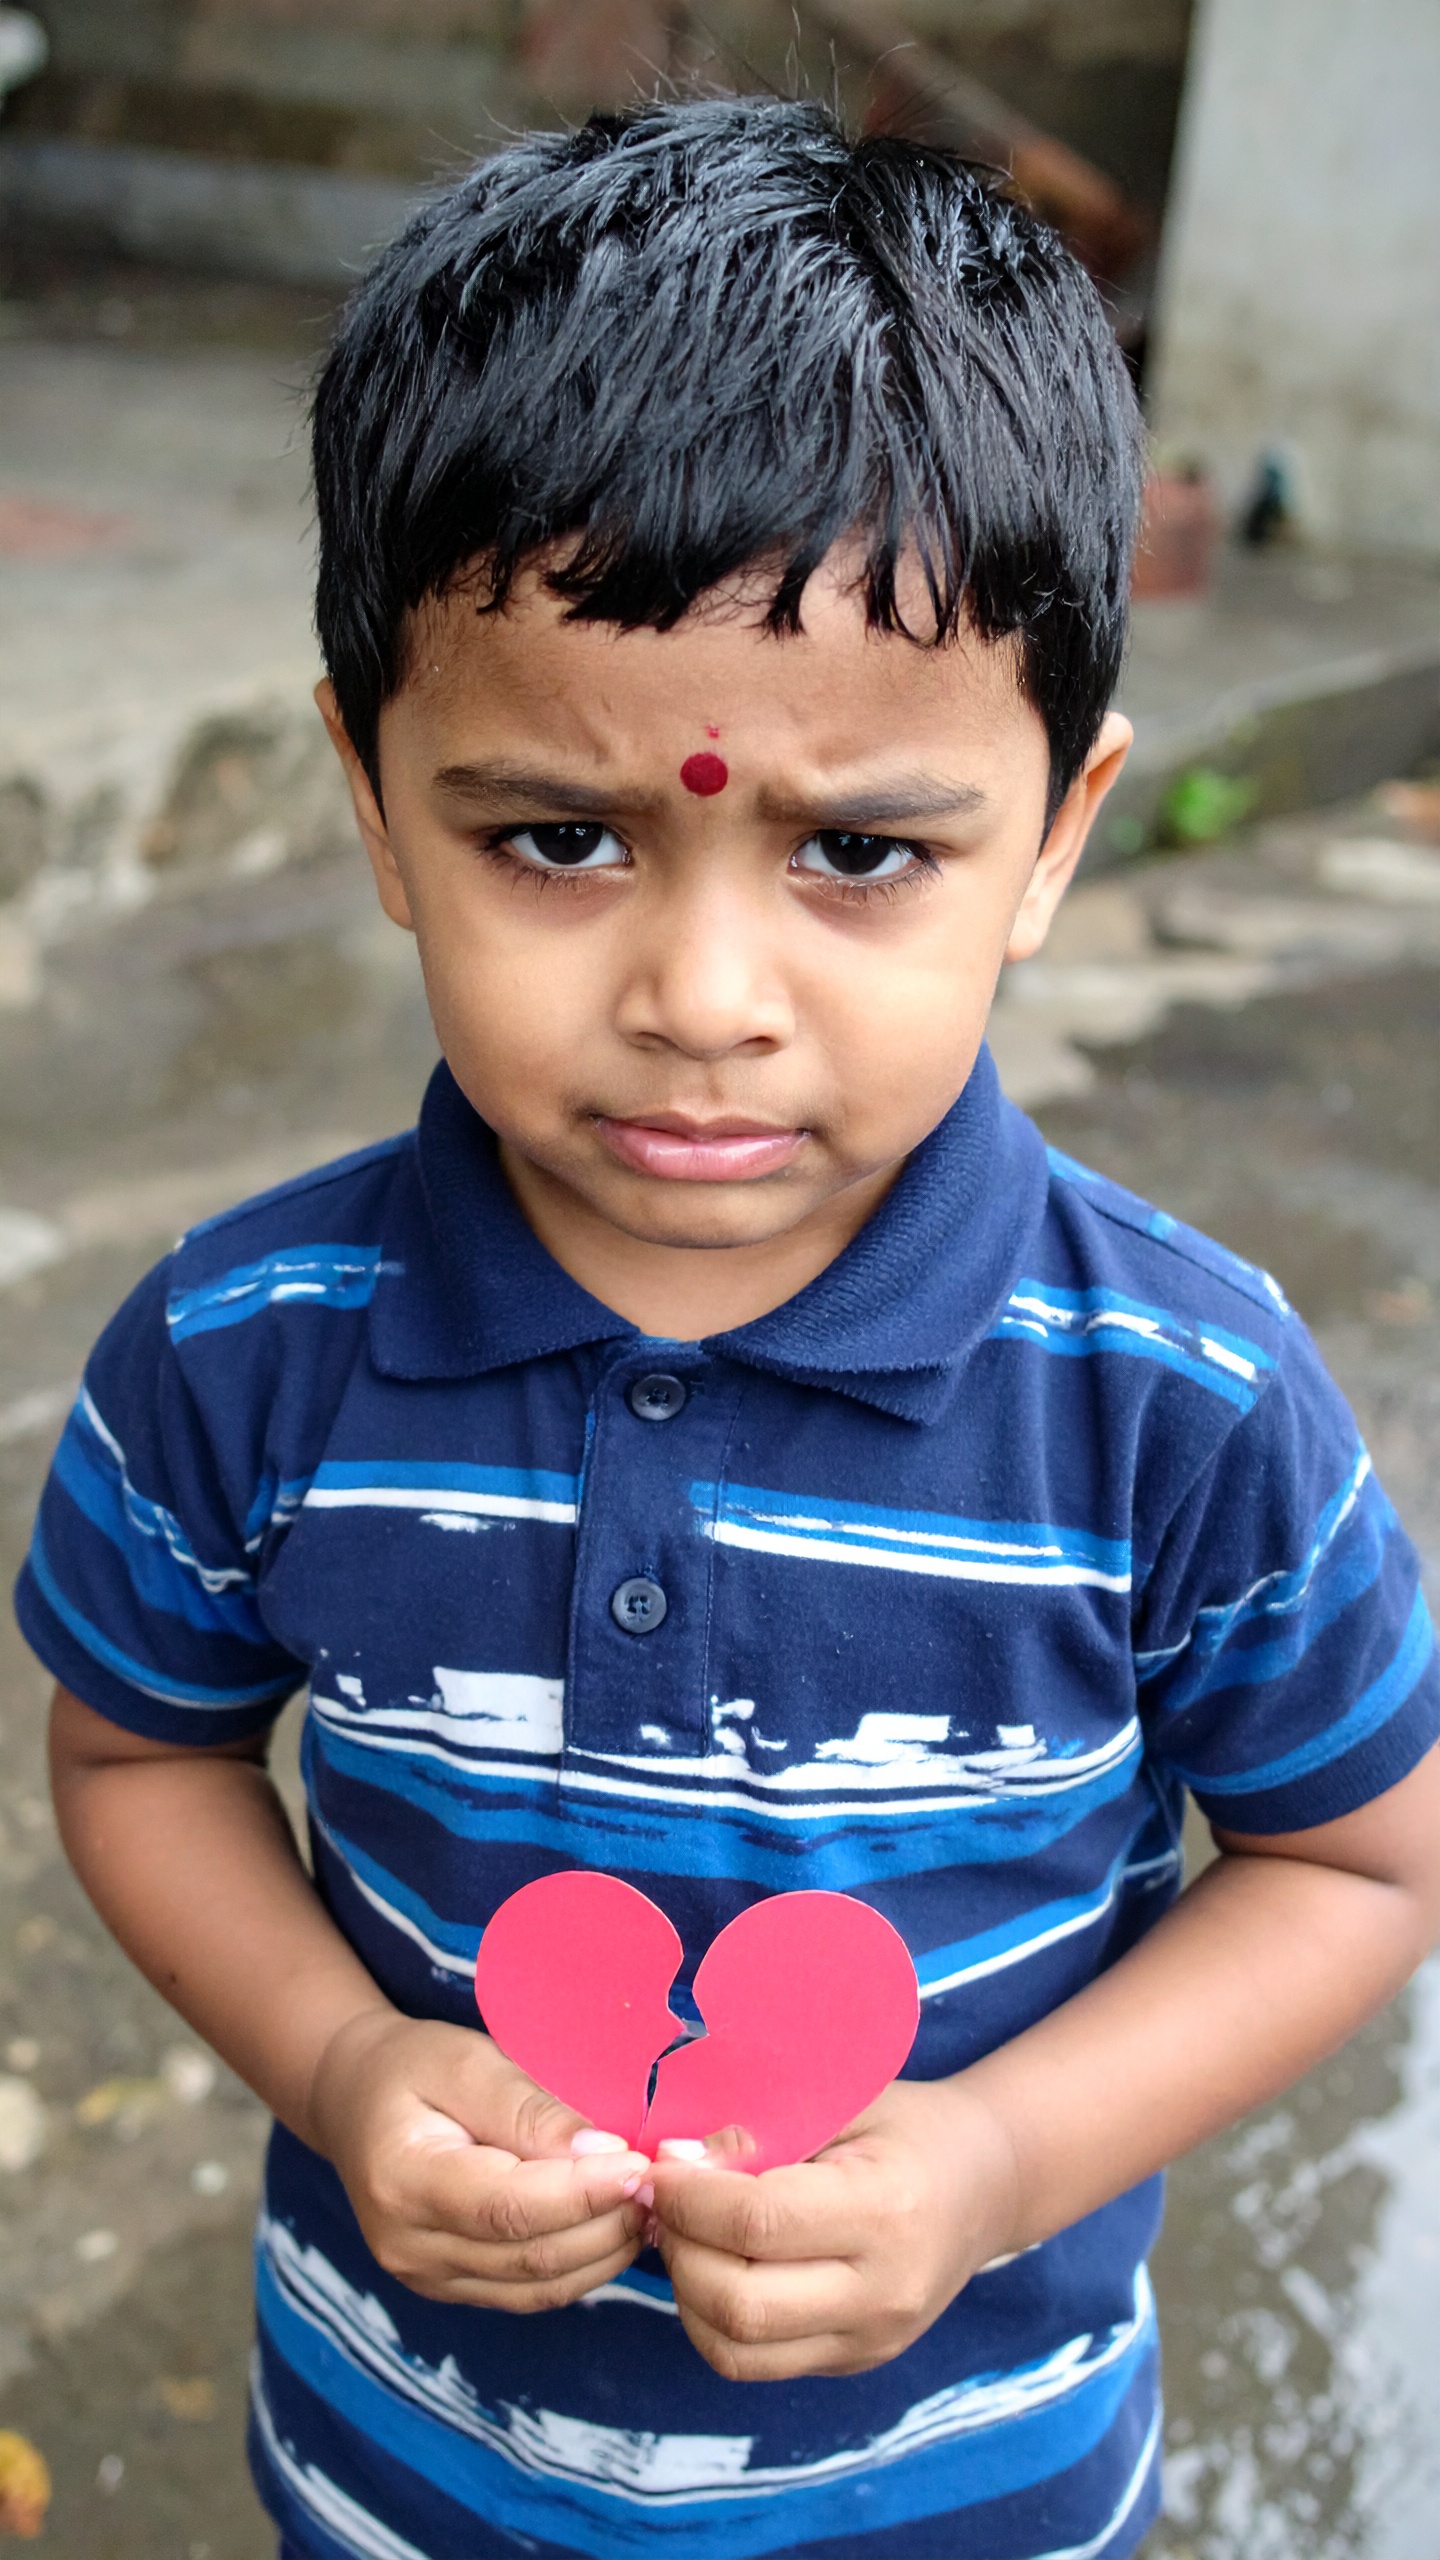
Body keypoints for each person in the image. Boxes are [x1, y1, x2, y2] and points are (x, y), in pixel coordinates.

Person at [19, 97, 1439, 2560]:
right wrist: (348, 2055)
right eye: (554, 837)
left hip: (969, 2497)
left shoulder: (1180, 1403)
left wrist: (998, 2155)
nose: (701, 997)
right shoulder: (236, 1349)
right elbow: (139, 1753)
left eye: (858, 852)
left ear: (1061, 832)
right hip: (394, 2468)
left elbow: (1355, 1857)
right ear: (373, 798)